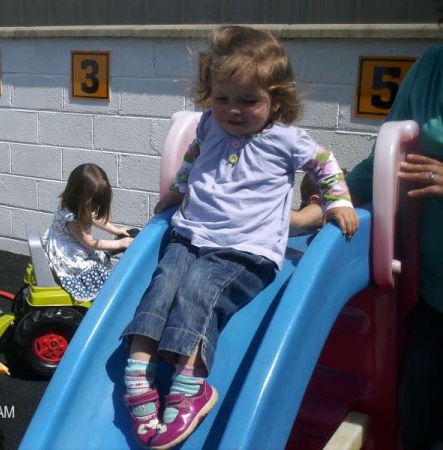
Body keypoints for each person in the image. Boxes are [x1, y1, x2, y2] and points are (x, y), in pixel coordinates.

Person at [120, 25, 358, 449]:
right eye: (222, 98)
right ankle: (138, 372)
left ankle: (191, 386)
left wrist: (338, 200)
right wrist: (178, 188)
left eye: (249, 101)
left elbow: (324, 162)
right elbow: (194, 157)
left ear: (276, 101)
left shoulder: (285, 140)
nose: (233, 110)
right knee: (162, 285)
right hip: (191, 235)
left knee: (197, 291)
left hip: (245, 251)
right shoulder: (211, 124)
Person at [346, 45, 443, 450]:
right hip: (435, 301)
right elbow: (385, 163)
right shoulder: (433, 67)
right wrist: (331, 196)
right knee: (418, 428)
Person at [43, 163, 133, 302]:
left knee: (100, 257)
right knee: (97, 270)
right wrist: (120, 243)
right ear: (79, 196)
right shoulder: (70, 218)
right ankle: (101, 297)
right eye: (93, 204)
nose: (95, 208)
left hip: (73, 244)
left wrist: (116, 230)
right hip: (68, 254)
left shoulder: (75, 205)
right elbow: (90, 243)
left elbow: (95, 219)